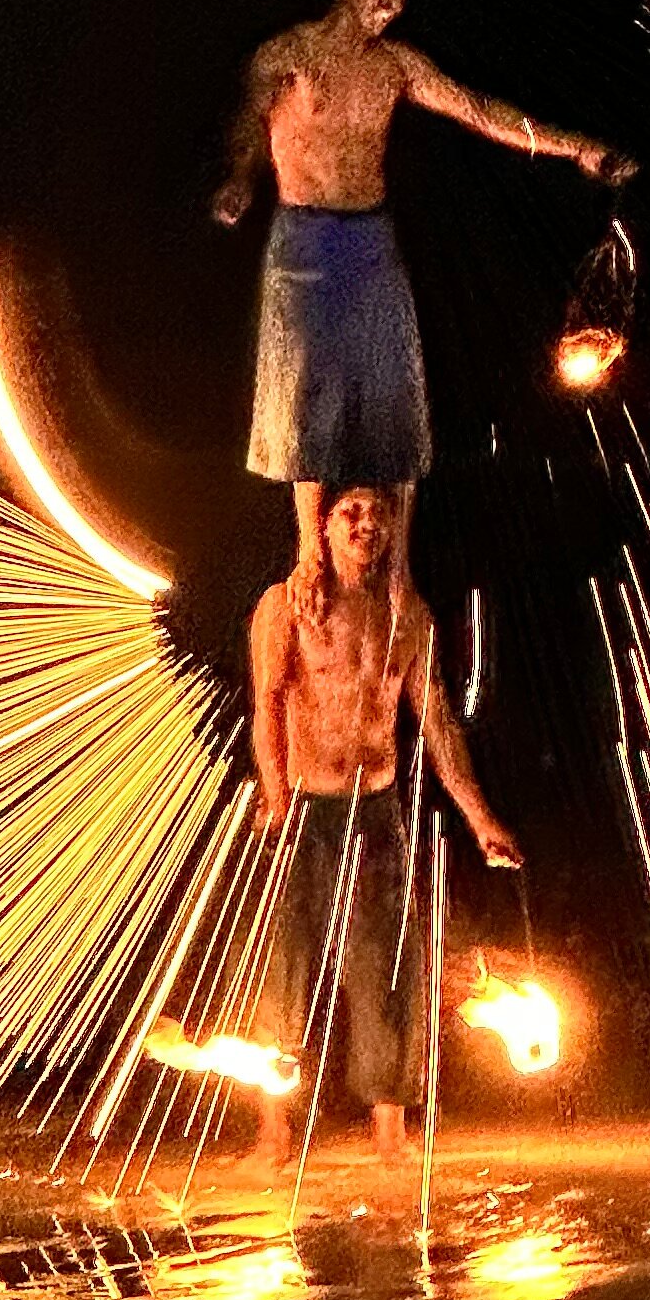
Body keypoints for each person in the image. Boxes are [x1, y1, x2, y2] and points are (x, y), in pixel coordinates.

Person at [213, 0, 633, 609]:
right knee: (306, 400)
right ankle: (309, 556)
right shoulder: (286, 55)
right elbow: (247, 123)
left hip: (370, 238)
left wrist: (575, 147)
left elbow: (478, 110)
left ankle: (401, 569)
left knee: (394, 406)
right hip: (307, 239)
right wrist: (240, 179)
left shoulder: (396, 67)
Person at [234, 481, 520, 1168]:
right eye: (350, 513)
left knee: (387, 964)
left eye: (378, 514)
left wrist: (481, 817)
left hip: (376, 807)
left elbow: (439, 723)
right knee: (284, 962)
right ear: (324, 526)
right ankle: (273, 1134)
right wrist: (275, 795)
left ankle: (390, 1134)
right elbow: (267, 705)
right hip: (304, 803)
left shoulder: (406, 615)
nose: (366, 525)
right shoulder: (287, 606)